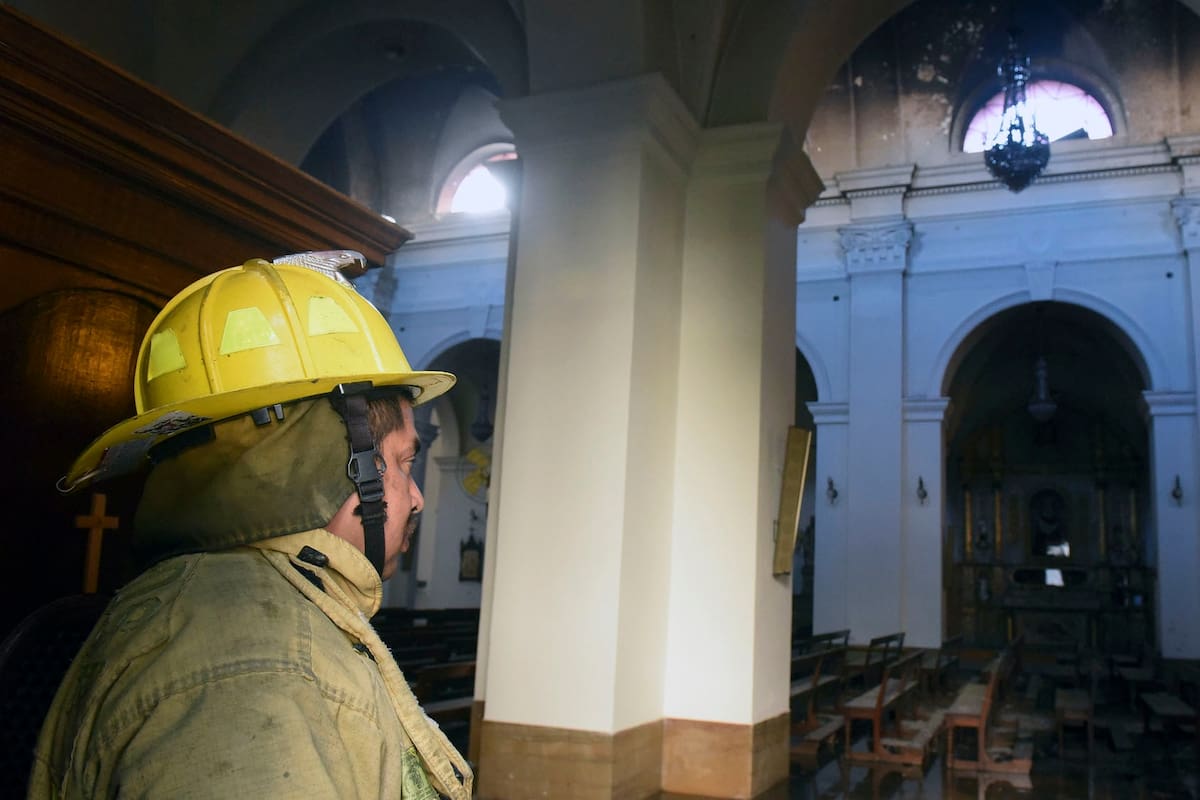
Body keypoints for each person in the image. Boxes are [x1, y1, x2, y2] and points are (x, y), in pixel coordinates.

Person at [28, 254, 472, 798]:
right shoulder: (257, 668)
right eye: (404, 462)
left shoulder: (252, 610)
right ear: (332, 461)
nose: (418, 496)